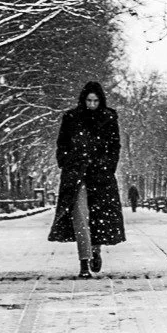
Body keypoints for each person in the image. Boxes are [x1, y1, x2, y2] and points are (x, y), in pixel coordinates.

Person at [48, 81, 126, 277]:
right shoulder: (71, 117)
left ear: (101, 101)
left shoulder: (108, 118)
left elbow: (114, 146)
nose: (92, 104)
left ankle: (95, 250)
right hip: (76, 173)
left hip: (100, 175)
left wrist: (107, 166)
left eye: (95, 101)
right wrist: (66, 162)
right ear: (83, 100)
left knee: (98, 216)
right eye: (89, 100)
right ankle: (84, 261)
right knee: (80, 215)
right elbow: (62, 143)